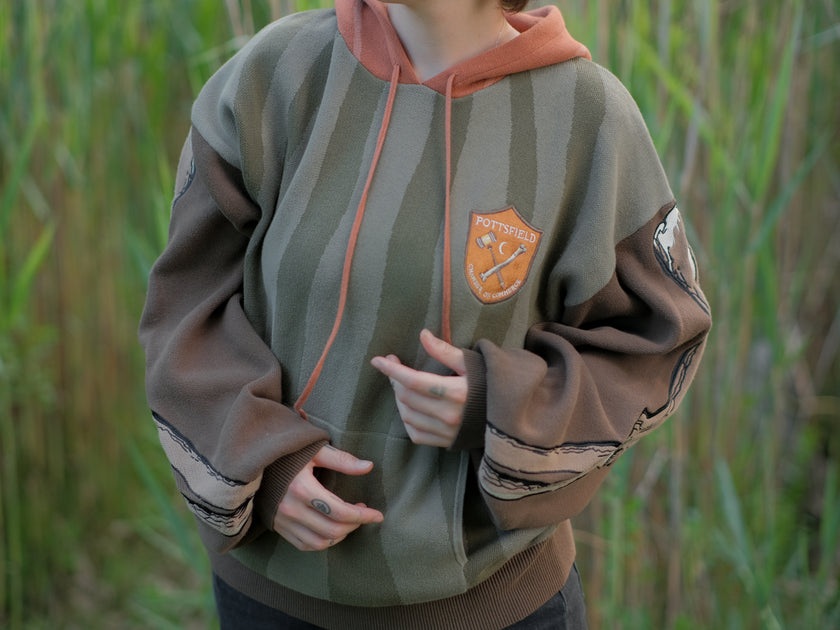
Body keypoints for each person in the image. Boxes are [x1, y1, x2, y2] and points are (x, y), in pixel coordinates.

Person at [139, 0, 712, 627]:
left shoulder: (588, 118)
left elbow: (657, 342)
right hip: (269, 599)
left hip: (496, 603)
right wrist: (264, 460)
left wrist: (498, 401)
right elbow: (185, 304)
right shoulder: (276, 74)